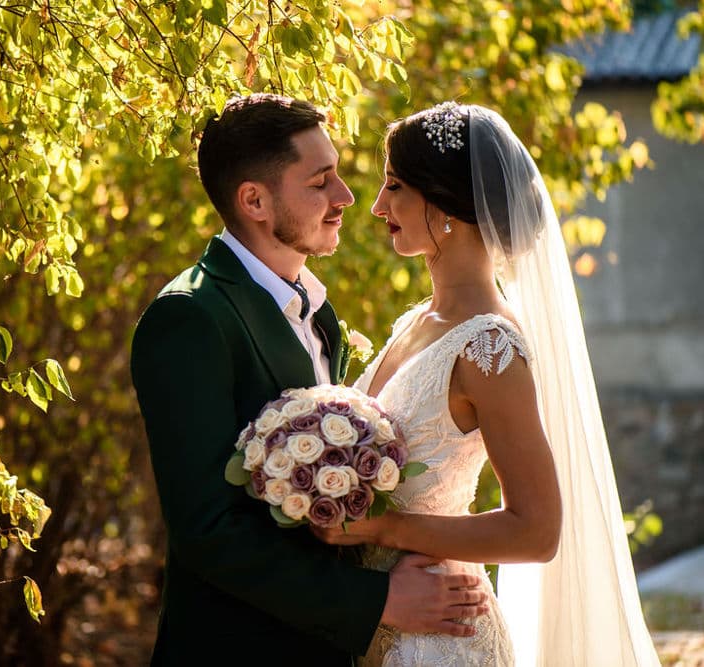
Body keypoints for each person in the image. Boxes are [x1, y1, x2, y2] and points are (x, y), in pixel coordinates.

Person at [130, 94, 490, 666]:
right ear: (255, 200)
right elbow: (207, 532)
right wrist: (378, 601)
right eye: (320, 181)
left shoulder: (315, 311)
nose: (347, 197)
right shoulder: (190, 319)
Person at [313, 102, 660, 666]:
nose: (377, 206)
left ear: (446, 201)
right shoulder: (417, 320)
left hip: (440, 637)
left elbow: (537, 532)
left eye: (395, 186)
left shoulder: (489, 347)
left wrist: (389, 527)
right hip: (380, 621)